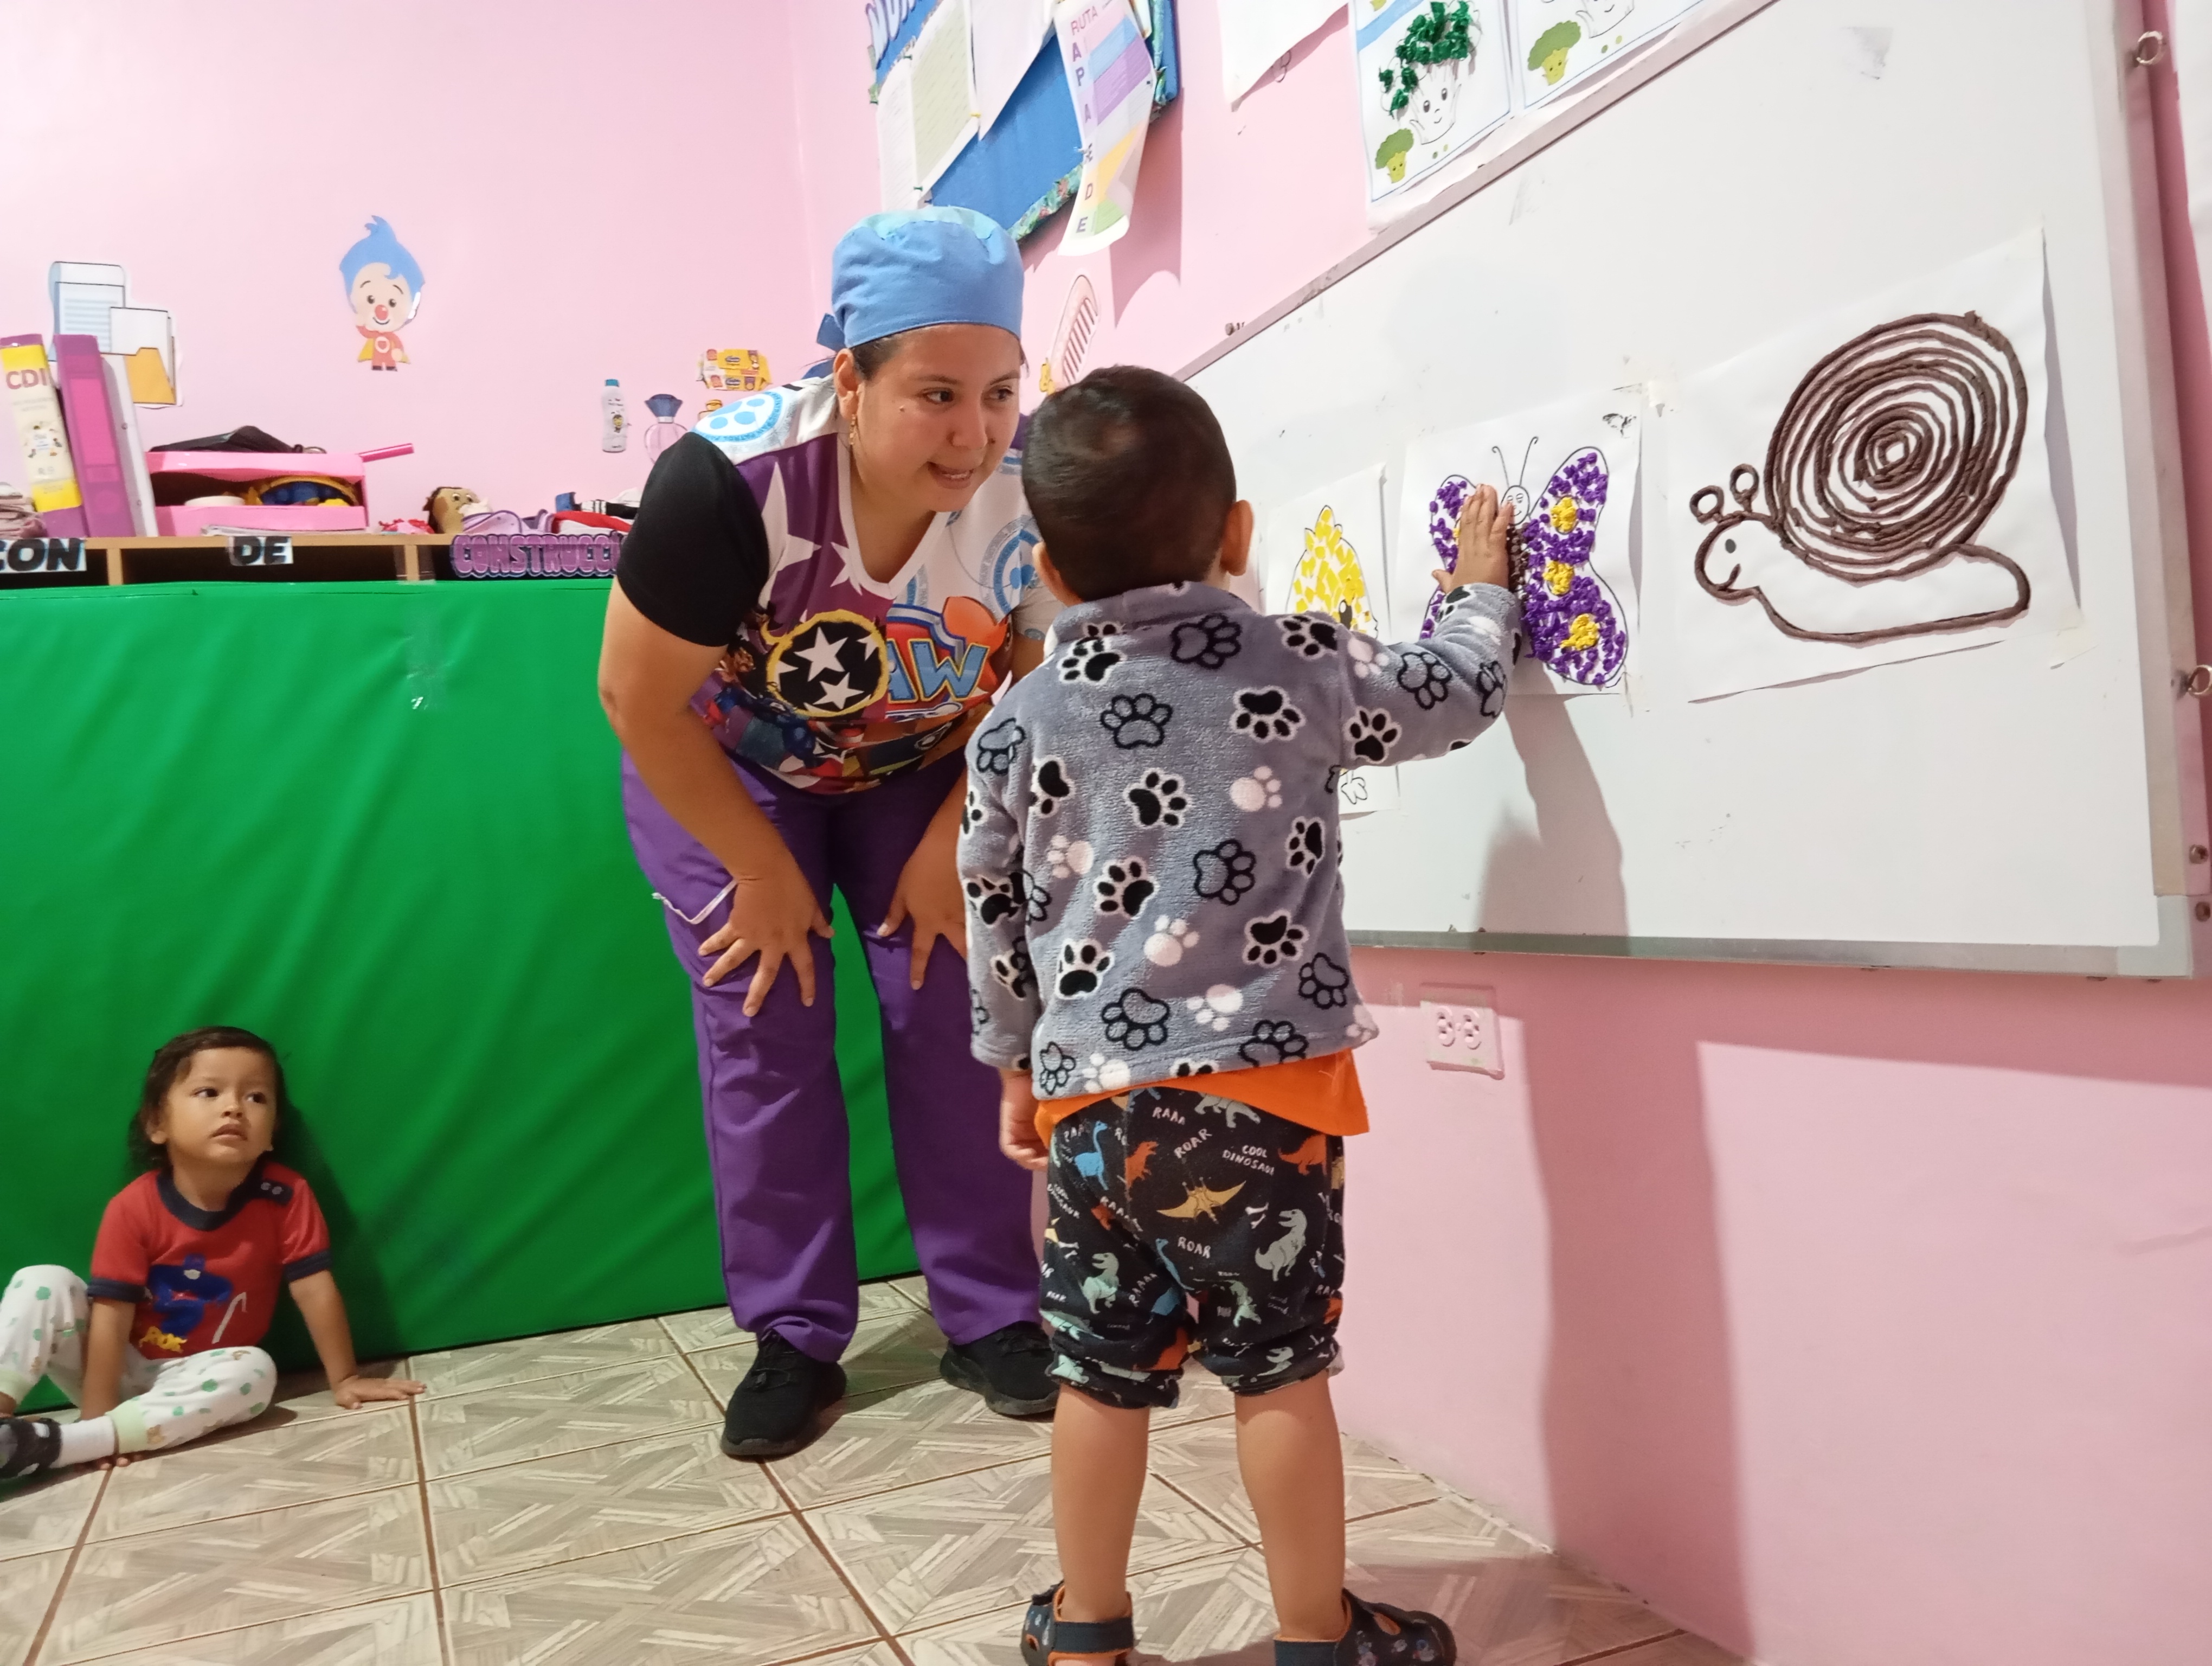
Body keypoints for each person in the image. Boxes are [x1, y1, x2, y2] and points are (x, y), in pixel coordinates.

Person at [957, 367, 1520, 1666]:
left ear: (1047, 566)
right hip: (1262, 1102)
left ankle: (1085, 1631)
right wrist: (1481, 591)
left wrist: (1014, 1066)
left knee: (1098, 1373)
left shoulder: (1014, 721)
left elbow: (992, 908)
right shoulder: (1298, 661)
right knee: (1277, 1371)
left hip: (1092, 1111)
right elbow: (1453, 693)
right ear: (1237, 534)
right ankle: (1315, 1637)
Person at [597, 206, 1059, 1462]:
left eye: (998, 392)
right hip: (728, 764)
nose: (972, 433)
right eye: (934, 395)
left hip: (926, 762)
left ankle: (992, 1312)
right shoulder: (728, 481)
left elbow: (1041, 687)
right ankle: (794, 1334)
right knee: (768, 1010)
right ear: (848, 381)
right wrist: (757, 867)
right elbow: (636, 697)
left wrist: (953, 838)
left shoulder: (1037, 484)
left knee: (952, 999)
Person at [0, 1028, 425, 1478]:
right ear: (157, 1124)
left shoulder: (285, 1196)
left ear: (272, 1133)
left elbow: (314, 1291)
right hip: (112, 1364)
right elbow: (112, 1314)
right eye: (208, 1092)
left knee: (256, 1372)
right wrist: (97, 1409)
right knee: (43, 1280)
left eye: (257, 1098)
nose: (234, 1108)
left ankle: (62, 1445)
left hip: (198, 1377)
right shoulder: (132, 1207)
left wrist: (345, 1379)